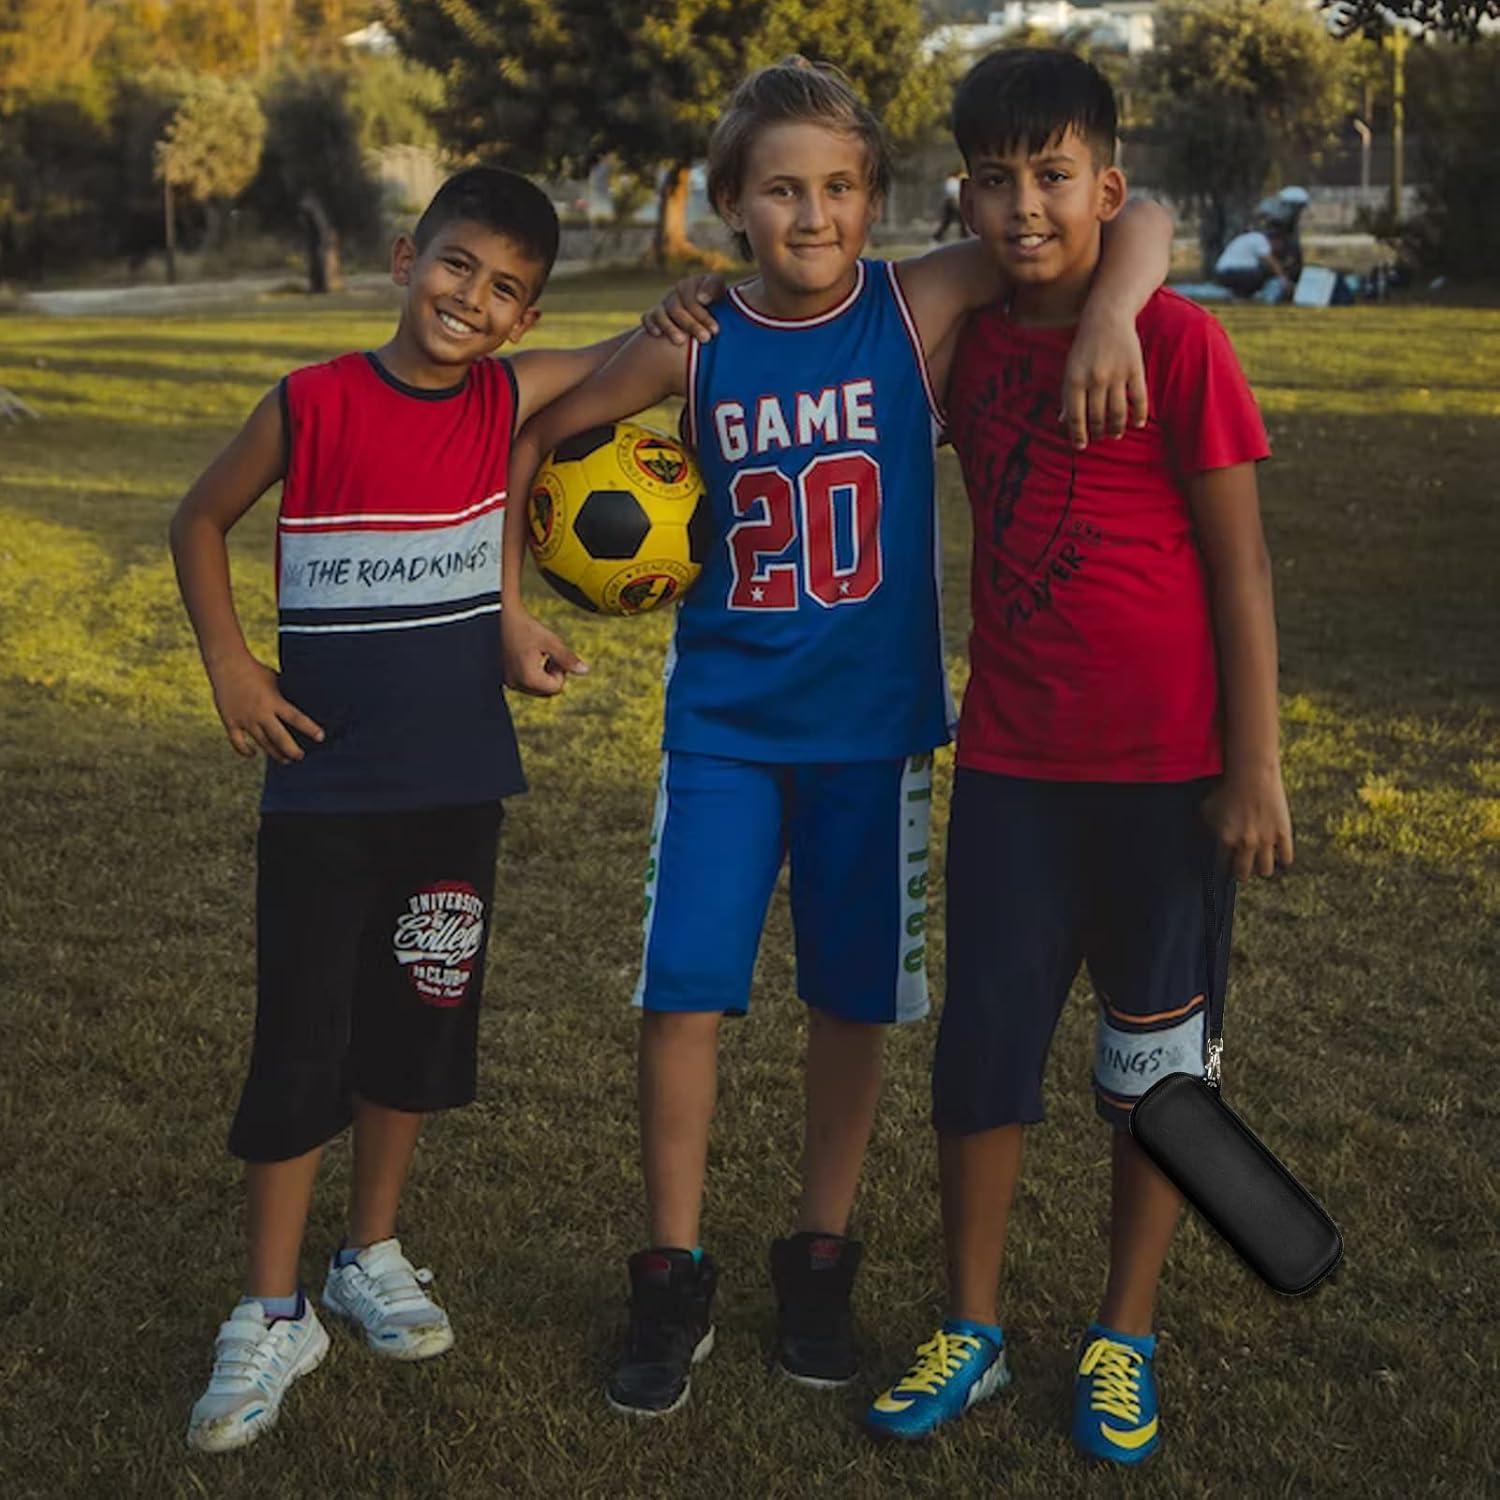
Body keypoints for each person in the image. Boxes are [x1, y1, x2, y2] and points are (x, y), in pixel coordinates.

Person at [504, 56, 1172, 1419]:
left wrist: (1113, 312)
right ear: (728, 205)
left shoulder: (913, 299)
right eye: (783, 192)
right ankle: (672, 1269)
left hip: (876, 741)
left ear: (873, 198)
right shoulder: (688, 343)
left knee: (853, 1000)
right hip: (726, 737)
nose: (815, 217)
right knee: (683, 992)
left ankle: (820, 1258)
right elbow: (521, 416)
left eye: (841, 189)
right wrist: (504, 610)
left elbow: (1140, 214)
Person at [861, 49, 1293, 1464]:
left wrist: (1257, 766)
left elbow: (1240, 576)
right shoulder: (966, 341)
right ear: (964, 196)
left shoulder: (1178, 345)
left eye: (1054, 176)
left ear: (1107, 184)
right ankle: (972, 1326)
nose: (1024, 204)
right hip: (1015, 775)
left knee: (1152, 1075)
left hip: (1168, 780)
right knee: (982, 1058)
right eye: (995, 179)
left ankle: (1125, 1332)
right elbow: (862, 322)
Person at [170, 165, 629, 1454]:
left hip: (454, 794)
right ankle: (273, 1308)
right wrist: (230, 664)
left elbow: (631, 354)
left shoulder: (504, 398)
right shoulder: (310, 402)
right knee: (301, 1036)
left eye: (505, 292)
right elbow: (197, 516)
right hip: (321, 791)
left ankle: (370, 1249)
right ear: (401, 256)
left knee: (414, 1028)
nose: (471, 301)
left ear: (523, 321)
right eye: (455, 267)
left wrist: (698, 309)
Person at [1213, 219, 1292, 300]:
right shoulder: (1260, 239)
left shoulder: (1249, 237)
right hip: (1234, 272)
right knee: (1262, 273)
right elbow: (1271, 261)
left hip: (1222, 272)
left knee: (1258, 271)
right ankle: (1242, 296)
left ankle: (1236, 294)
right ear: (1276, 240)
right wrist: (1284, 280)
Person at [934, 171, 966, 240]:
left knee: (950, 221)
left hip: (954, 202)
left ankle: (937, 236)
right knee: (961, 219)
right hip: (953, 202)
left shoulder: (955, 181)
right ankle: (965, 235)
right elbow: (952, 192)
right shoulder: (952, 181)